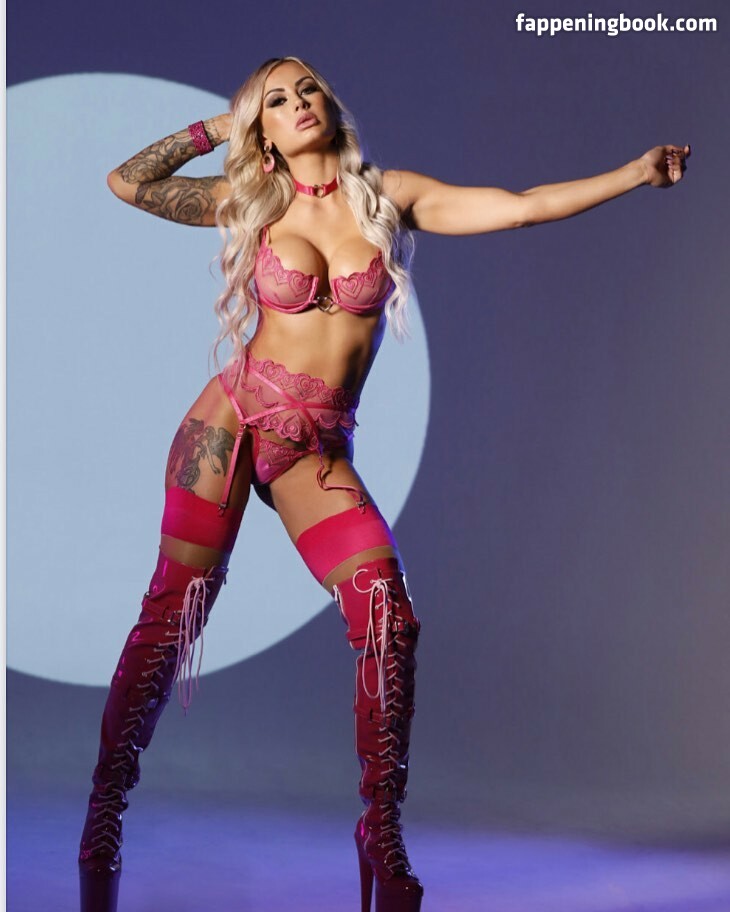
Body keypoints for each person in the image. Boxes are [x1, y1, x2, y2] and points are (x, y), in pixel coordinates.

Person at [77, 54, 690, 912]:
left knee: (388, 616)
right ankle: (103, 819)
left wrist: (633, 173)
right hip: (230, 424)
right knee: (170, 618)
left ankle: (381, 832)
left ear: (330, 103)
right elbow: (126, 182)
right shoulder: (253, 200)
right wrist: (221, 126)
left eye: (307, 89)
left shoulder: (388, 196)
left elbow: (520, 206)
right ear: (263, 130)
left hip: (315, 448)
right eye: (276, 101)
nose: (298, 103)